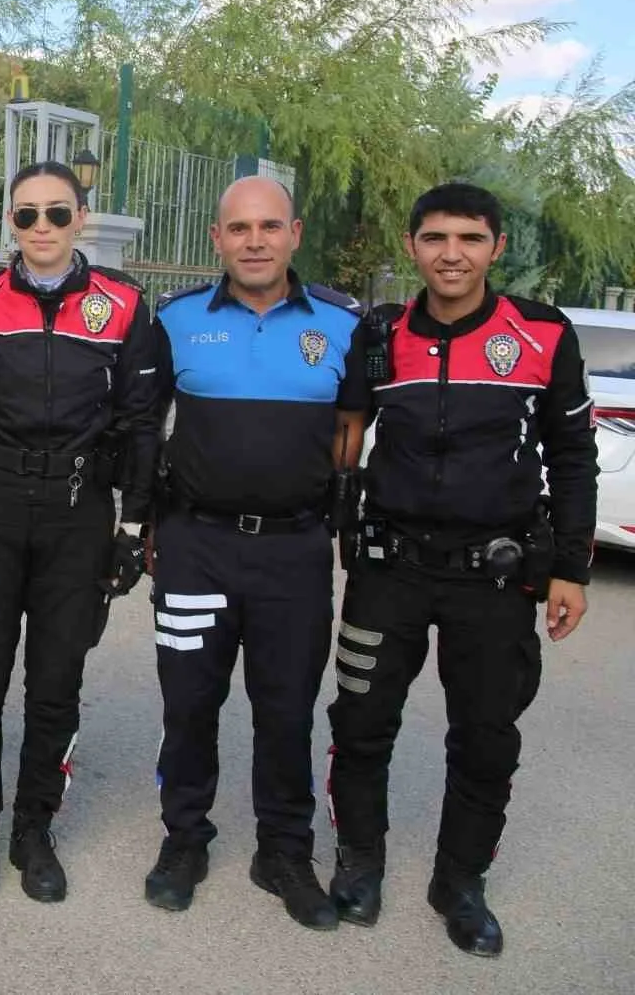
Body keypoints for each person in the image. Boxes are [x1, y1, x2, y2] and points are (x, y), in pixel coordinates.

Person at [325, 182, 596, 958]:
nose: (452, 254)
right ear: (412, 245)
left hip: (495, 578)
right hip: (390, 570)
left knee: (485, 737)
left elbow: (572, 457)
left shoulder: (542, 333)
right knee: (361, 725)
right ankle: (360, 863)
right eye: (436, 238)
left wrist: (570, 568)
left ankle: (461, 882)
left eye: (470, 239)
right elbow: (347, 436)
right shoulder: (378, 334)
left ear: (495, 248)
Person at [142, 176, 368, 931]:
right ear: (217, 238)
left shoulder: (342, 326)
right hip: (195, 546)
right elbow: (143, 429)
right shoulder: (174, 322)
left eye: (270, 226)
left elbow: (349, 434)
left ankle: (285, 851)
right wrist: (144, 528)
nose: (255, 240)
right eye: (239, 228)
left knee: (286, 710)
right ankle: (184, 840)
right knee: (189, 703)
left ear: (295, 233)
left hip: (295, 553)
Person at [0, 161, 158, 904]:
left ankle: (34, 829)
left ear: (82, 219)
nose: (41, 229)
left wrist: (132, 526)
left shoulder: (125, 305)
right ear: (9, 222)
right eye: (26, 215)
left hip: (78, 516)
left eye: (57, 214)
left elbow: (141, 426)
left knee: (56, 687)